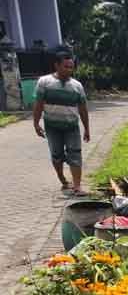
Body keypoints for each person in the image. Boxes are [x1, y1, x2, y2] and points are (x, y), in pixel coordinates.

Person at [33, 52, 90, 196]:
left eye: (71, 67)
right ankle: (63, 180)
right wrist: (36, 123)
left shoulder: (77, 86)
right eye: (66, 67)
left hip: (72, 127)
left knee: (75, 154)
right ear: (56, 65)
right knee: (57, 155)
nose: (69, 70)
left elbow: (83, 109)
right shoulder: (44, 82)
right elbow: (39, 104)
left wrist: (86, 128)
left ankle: (77, 186)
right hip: (52, 127)